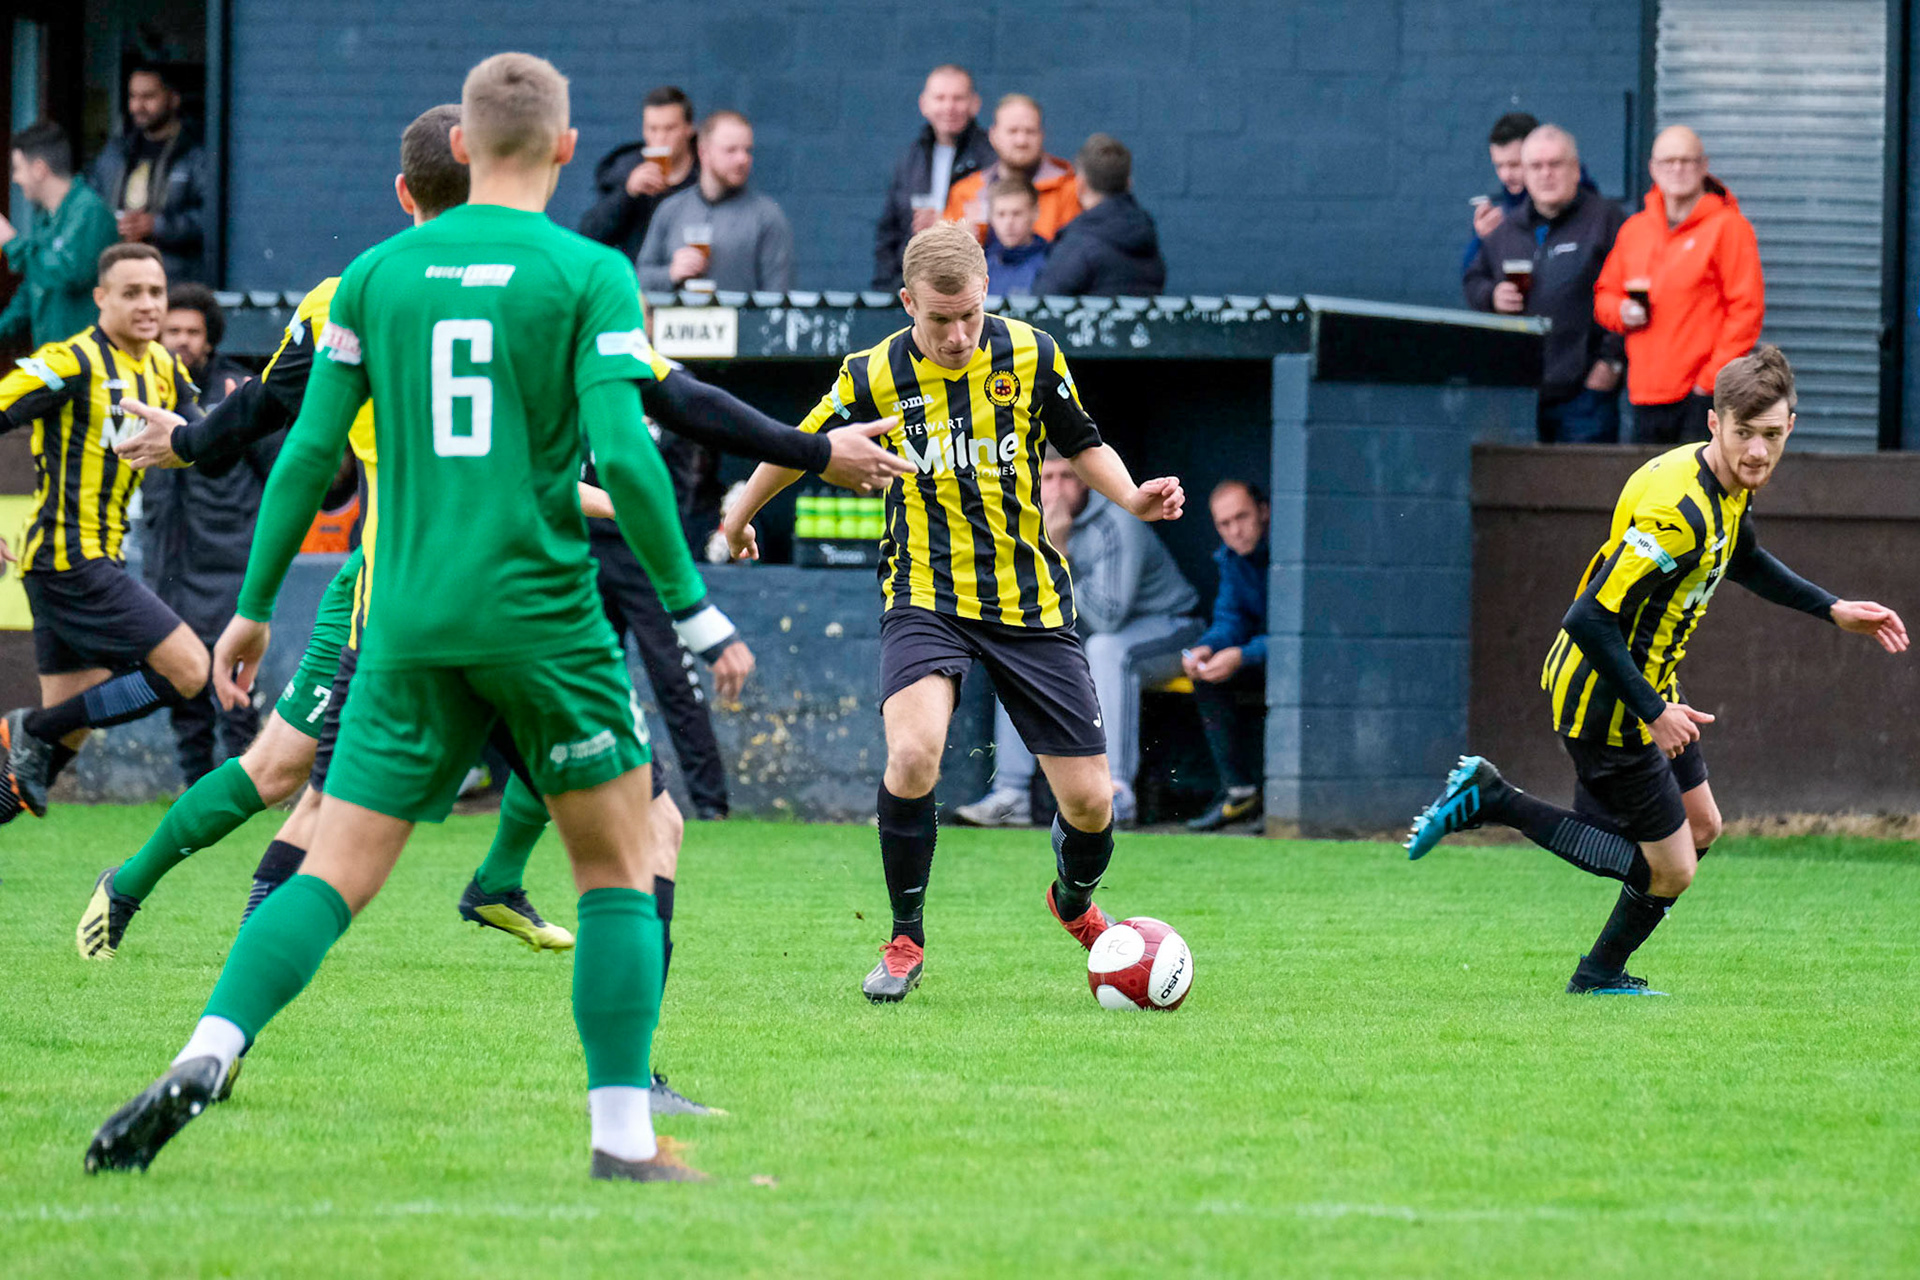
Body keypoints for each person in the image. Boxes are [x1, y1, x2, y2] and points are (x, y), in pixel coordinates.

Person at [89, 100, 906, 1115]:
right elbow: (667, 410)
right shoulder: (560, 276)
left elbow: (278, 424)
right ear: (528, 160)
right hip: (530, 609)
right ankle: (628, 1099)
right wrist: (806, 462)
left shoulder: (361, 286)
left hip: (400, 605)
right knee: (638, 834)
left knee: (322, 828)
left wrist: (196, 472)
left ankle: (217, 1036)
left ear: (405, 191)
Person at [721, 221, 1185, 1004]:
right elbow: (797, 443)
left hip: (1029, 600)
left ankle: (1072, 900)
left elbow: (1083, 442)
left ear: (986, 295)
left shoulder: (1031, 353)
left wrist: (1133, 496)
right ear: (909, 304)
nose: (959, 334)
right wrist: (737, 520)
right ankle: (905, 938)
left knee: (1090, 804)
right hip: (925, 595)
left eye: (970, 314)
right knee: (913, 756)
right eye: (940, 319)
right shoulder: (873, 372)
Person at [1404, 346, 1907, 995]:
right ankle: (1493, 799)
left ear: (1791, 427)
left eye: (1771, 434)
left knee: (1702, 829)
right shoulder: (1679, 512)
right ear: (1714, 423)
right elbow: (1588, 617)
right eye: (1744, 433)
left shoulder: (1724, 486)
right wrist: (1653, 710)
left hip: (1649, 686)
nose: (1758, 451)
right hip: (1608, 695)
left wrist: (1833, 609)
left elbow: (1741, 556)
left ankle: (1599, 971)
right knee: (1671, 869)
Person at [0, 244, 209, 825]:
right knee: (189, 670)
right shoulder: (69, 362)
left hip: (94, 562)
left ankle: (32, 741)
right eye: (131, 293)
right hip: (69, 559)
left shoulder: (164, 367)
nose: (148, 305)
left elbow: (203, 440)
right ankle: (29, 725)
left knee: (41, 763)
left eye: (156, 292)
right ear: (100, 298)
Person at [955, 449, 1197, 827]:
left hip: (1172, 627)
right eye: (1048, 478)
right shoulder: (1026, 520)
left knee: (1106, 651)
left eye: (1067, 477)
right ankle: (1011, 794)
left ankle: (1116, 793)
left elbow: (1106, 618)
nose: (1058, 488)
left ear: (1086, 480)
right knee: (1021, 649)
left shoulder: (1117, 520)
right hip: (1100, 636)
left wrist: (1058, 552)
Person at [143, 283, 272, 784]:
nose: (182, 340)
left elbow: (278, 469)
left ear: (211, 339)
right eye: (172, 330)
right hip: (169, 561)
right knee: (183, 680)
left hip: (231, 561)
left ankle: (244, 781)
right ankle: (194, 784)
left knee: (235, 681)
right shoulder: (145, 391)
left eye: (192, 332)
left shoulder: (240, 392)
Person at [1595, 126, 1765, 446]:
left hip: (1701, 398)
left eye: (1687, 160)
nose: (1677, 169)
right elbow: (1605, 296)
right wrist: (1621, 311)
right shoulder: (1635, 230)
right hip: (1644, 395)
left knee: (1699, 480)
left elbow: (1746, 311)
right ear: (1653, 168)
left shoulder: (1729, 228)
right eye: (1668, 161)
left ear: (1703, 166)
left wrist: (1710, 382)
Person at [1464, 124, 1626, 443]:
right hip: (1518, 396)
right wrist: (1491, 294)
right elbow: (1473, 279)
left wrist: (1611, 362)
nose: (1546, 174)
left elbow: (1634, 290)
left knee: (1582, 476)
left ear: (1576, 169)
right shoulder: (1507, 228)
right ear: (1525, 174)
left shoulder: (1606, 220)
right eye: (1536, 166)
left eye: (1555, 164)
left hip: (1585, 395)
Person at [1183, 479, 1269, 832]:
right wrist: (1208, 647)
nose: (1235, 530)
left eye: (1242, 517)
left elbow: (1302, 638)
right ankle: (1240, 793)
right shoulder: (1232, 560)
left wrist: (1244, 655)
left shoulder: (1290, 548)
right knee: (1207, 676)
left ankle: (1280, 801)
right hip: (1258, 656)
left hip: (1304, 665)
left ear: (1263, 512)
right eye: (1224, 523)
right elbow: (1230, 619)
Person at [635, 110, 793, 294]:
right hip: (679, 313)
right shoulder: (670, 210)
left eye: (747, 150)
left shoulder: (767, 216)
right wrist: (671, 274)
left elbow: (778, 295)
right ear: (703, 152)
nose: (742, 159)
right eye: (731, 150)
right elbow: (639, 279)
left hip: (739, 314)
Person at [872, 64, 997, 292]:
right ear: (924, 104)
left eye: (958, 98)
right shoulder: (910, 160)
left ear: (975, 104)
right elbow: (889, 232)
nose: (949, 107)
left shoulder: (992, 157)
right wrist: (887, 289)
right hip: (913, 286)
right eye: (940, 98)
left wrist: (945, 223)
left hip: (969, 287)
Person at [0, 122, 120, 348]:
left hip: (88, 358)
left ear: (39, 169)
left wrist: (11, 242)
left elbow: (70, 273)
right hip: (53, 358)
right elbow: (32, 288)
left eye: (18, 169)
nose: (15, 179)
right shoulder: (46, 217)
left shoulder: (89, 210)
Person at [90, 64, 211, 284]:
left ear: (173, 99)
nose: (137, 106)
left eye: (148, 97)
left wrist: (156, 225)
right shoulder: (116, 152)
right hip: (119, 276)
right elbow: (91, 204)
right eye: (133, 96)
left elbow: (212, 218)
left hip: (173, 281)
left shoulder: (195, 154)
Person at [1032, 134, 1166, 298]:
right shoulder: (1146, 236)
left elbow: (1043, 301)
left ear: (1080, 184)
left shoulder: (1078, 243)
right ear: (1128, 183)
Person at [578, 85, 700, 261]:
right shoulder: (625, 169)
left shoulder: (705, 172)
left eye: (669, 128)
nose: (660, 138)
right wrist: (627, 193)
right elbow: (589, 235)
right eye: (653, 129)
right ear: (643, 130)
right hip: (637, 275)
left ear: (689, 128)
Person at [942, 94, 1080, 242]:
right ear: (993, 136)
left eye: (1030, 131)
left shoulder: (1070, 191)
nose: (1021, 141)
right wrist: (967, 240)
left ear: (1042, 135)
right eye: (1012, 131)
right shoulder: (966, 193)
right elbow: (943, 252)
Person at [1461, 111, 1538, 275]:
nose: (1505, 175)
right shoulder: (1495, 213)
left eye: (1515, 164)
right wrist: (1481, 239)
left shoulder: (1559, 207)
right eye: (1499, 166)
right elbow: (1471, 277)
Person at [983, 178, 1048, 296]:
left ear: (1035, 213)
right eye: (1001, 214)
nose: (1008, 223)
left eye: (1017, 214)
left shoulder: (1051, 262)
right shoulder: (981, 266)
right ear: (990, 217)